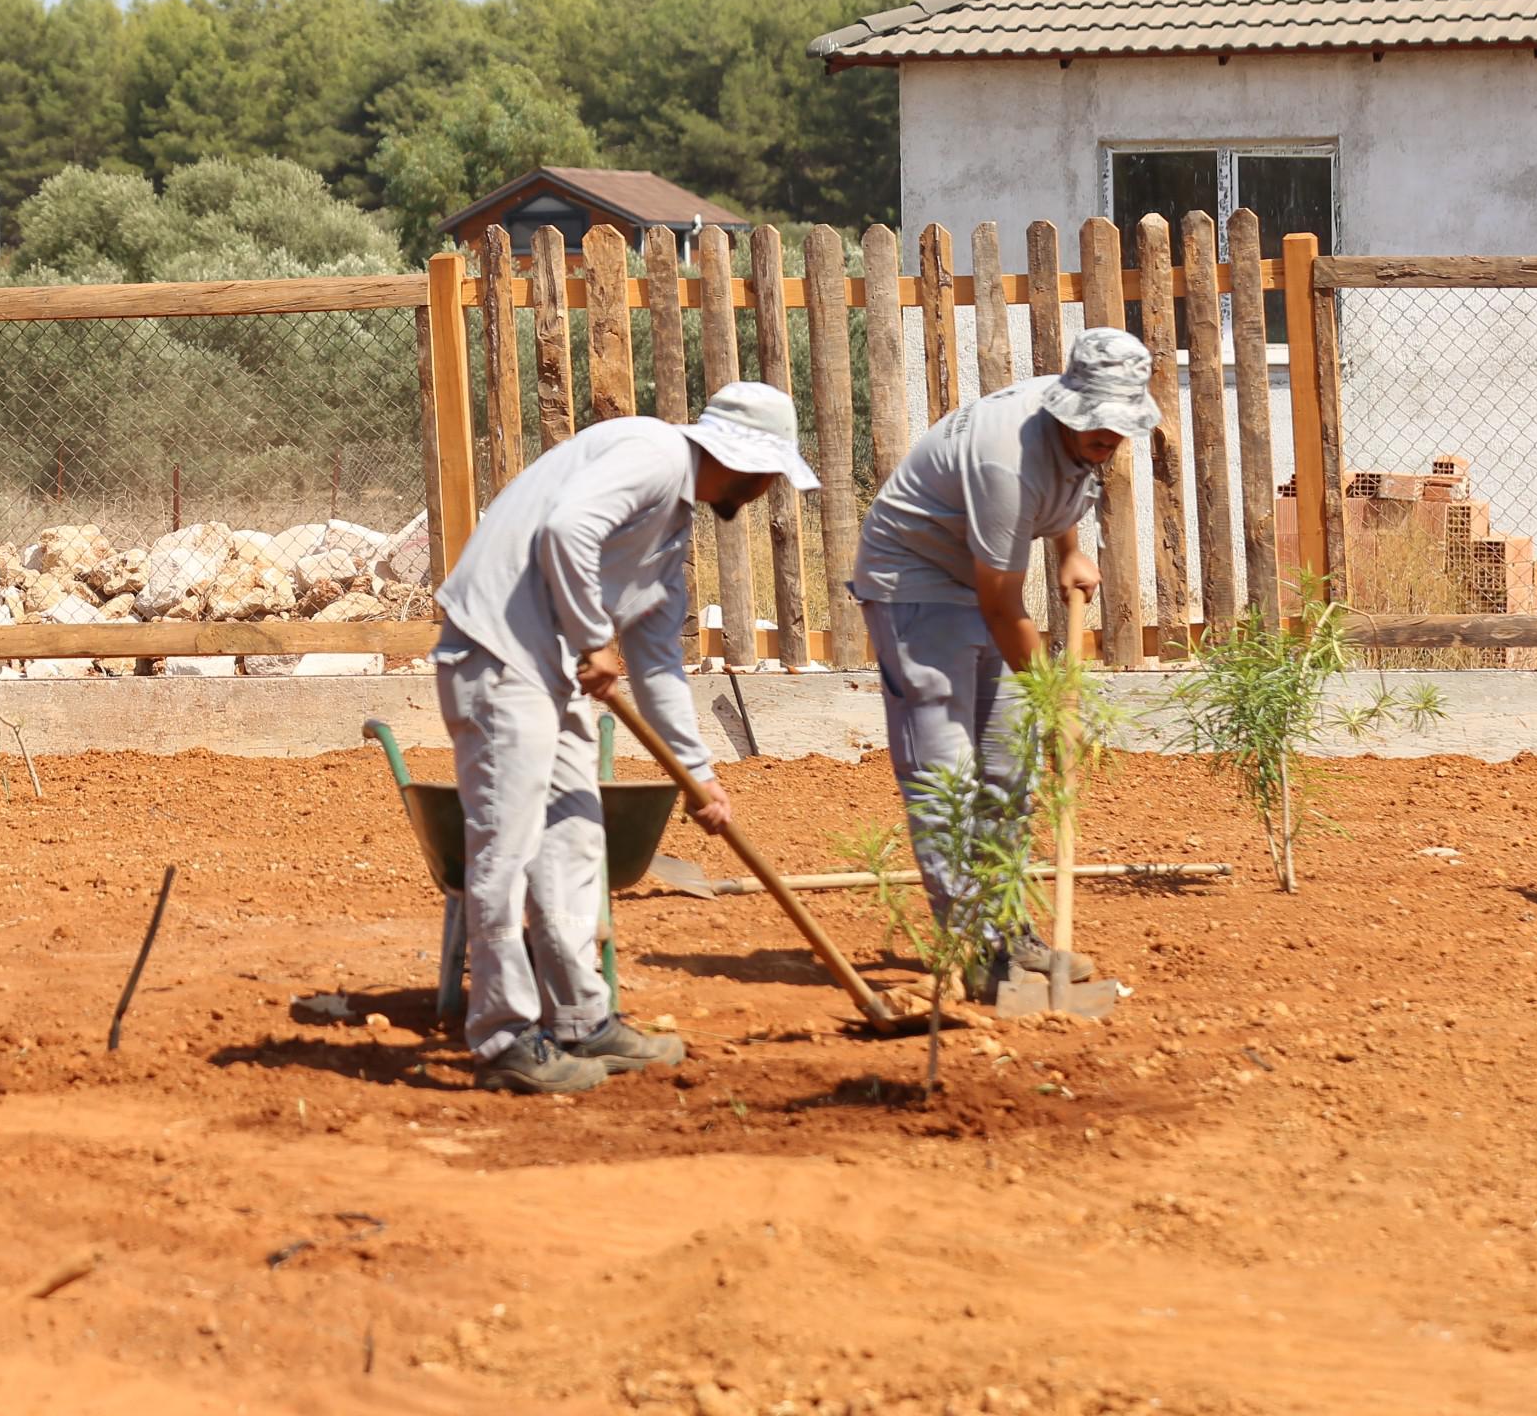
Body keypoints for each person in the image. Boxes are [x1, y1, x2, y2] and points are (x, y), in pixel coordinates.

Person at [434, 381, 820, 1095]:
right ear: (748, 463)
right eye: (773, 476)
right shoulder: (653, 452)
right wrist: (590, 638)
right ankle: (503, 1038)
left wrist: (698, 775)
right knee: (507, 849)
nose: (770, 490)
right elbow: (567, 530)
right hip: (499, 657)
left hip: (553, 671)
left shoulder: (670, 529)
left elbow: (658, 660)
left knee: (575, 840)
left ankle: (584, 1018)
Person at [847, 325, 1161, 999]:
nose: (1107, 438)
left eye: (1117, 425)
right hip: (915, 580)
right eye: (1097, 423)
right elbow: (1001, 603)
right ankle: (972, 946)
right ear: (1068, 404)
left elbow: (1062, 484)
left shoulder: (1073, 439)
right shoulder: (1003, 457)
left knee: (1006, 763)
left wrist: (1068, 551)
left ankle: (1007, 926)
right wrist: (1056, 704)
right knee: (947, 769)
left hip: (979, 574)